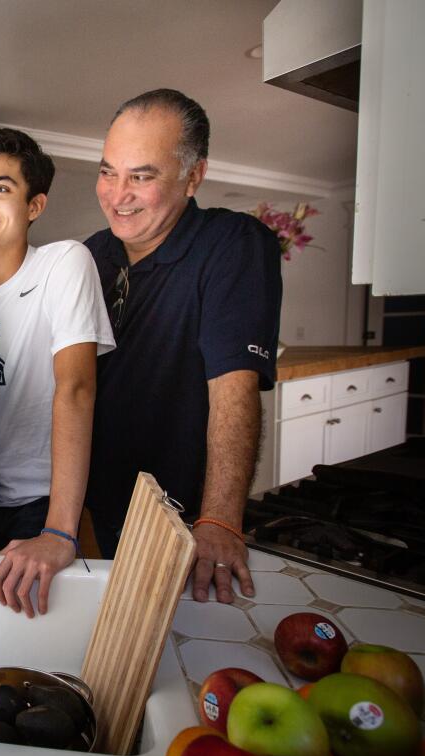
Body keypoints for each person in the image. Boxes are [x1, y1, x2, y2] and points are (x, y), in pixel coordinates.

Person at [83, 89, 282, 604]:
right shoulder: (88, 256)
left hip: (185, 524)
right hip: (96, 512)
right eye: (108, 172)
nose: (117, 193)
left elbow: (234, 388)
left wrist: (219, 519)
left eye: (141, 176)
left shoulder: (233, 244)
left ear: (194, 176)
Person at [0, 129, 116, 618]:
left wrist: (59, 532)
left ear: (35, 205)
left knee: (39, 645)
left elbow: (76, 387)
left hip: (42, 504)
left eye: (0, 188)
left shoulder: (63, 263)